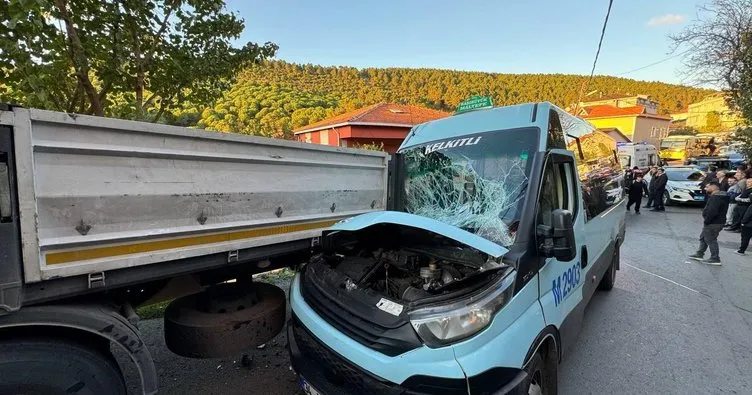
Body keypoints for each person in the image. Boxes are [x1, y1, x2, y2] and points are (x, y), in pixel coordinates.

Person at [688, 181, 729, 265]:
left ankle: (715, 258)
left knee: (710, 239)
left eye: (707, 187)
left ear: (713, 187)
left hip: (713, 223)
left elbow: (713, 211)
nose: (705, 189)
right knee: (703, 237)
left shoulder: (716, 198)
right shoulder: (719, 196)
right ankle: (700, 253)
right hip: (715, 222)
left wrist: (707, 220)